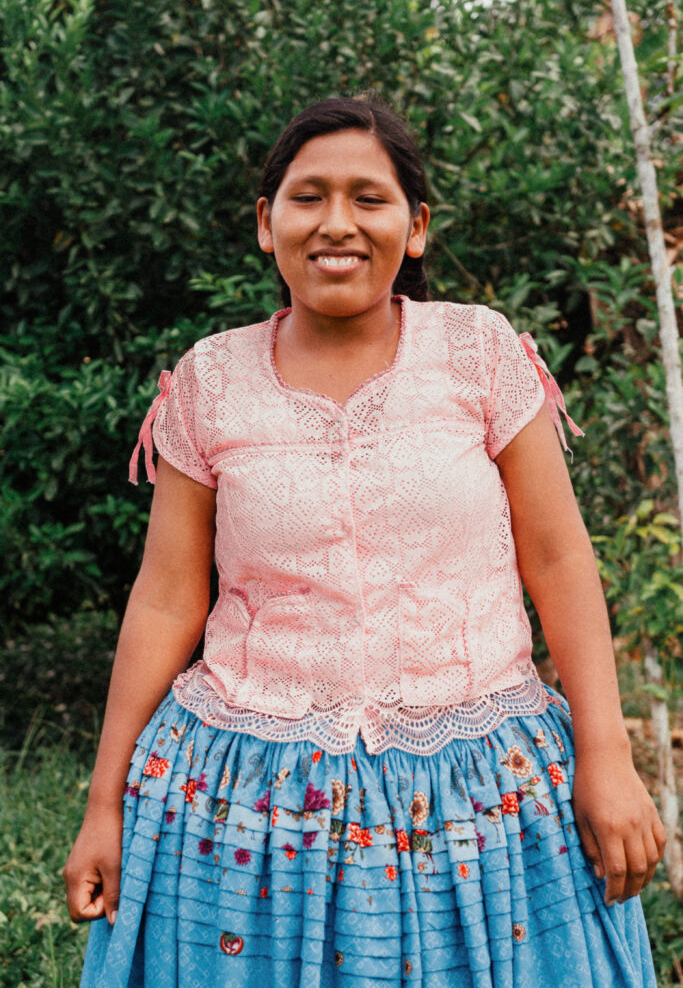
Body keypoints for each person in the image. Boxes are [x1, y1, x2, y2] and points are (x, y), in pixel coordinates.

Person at [64, 96, 665, 988]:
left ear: (415, 228)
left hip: (482, 796)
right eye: (307, 197)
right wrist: (104, 805)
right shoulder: (209, 381)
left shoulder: (478, 353)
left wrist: (606, 756)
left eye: (368, 198)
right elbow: (165, 599)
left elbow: (558, 559)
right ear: (265, 224)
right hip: (244, 808)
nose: (336, 223)